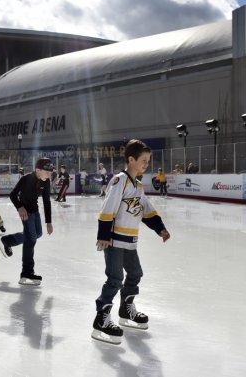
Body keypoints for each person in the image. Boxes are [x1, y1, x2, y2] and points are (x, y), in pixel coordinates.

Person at [91, 139, 171, 345]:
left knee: (135, 274)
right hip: (115, 241)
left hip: (130, 242)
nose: (146, 164)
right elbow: (108, 208)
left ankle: (126, 310)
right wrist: (103, 235)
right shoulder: (121, 180)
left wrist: (159, 227)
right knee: (115, 279)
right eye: (143, 160)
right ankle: (101, 319)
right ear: (131, 159)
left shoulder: (137, 185)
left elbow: (146, 209)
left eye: (148, 161)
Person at [0, 158, 54, 286]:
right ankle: (26, 273)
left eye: (50, 173)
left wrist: (48, 222)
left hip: (35, 211)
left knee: (37, 234)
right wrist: (20, 207)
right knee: (31, 239)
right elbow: (13, 195)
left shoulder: (46, 181)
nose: (49, 175)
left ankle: (8, 240)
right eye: (47, 172)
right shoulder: (26, 179)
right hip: (25, 212)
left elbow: (46, 201)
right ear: (38, 170)